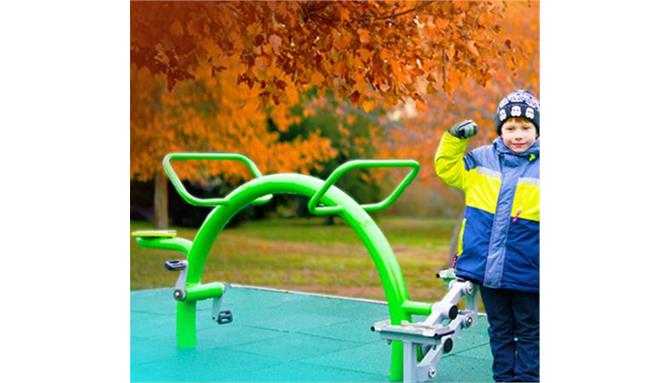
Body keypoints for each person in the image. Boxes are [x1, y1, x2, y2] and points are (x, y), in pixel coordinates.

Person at [434, 89, 540, 382]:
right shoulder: (480, 161)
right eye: (510, 128)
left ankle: (529, 379)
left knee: (531, 331)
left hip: (529, 271)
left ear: (537, 130)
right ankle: (504, 378)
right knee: (501, 330)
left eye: (525, 128)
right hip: (489, 270)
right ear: (500, 129)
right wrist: (454, 140)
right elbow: (446, 168)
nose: (518, 135)